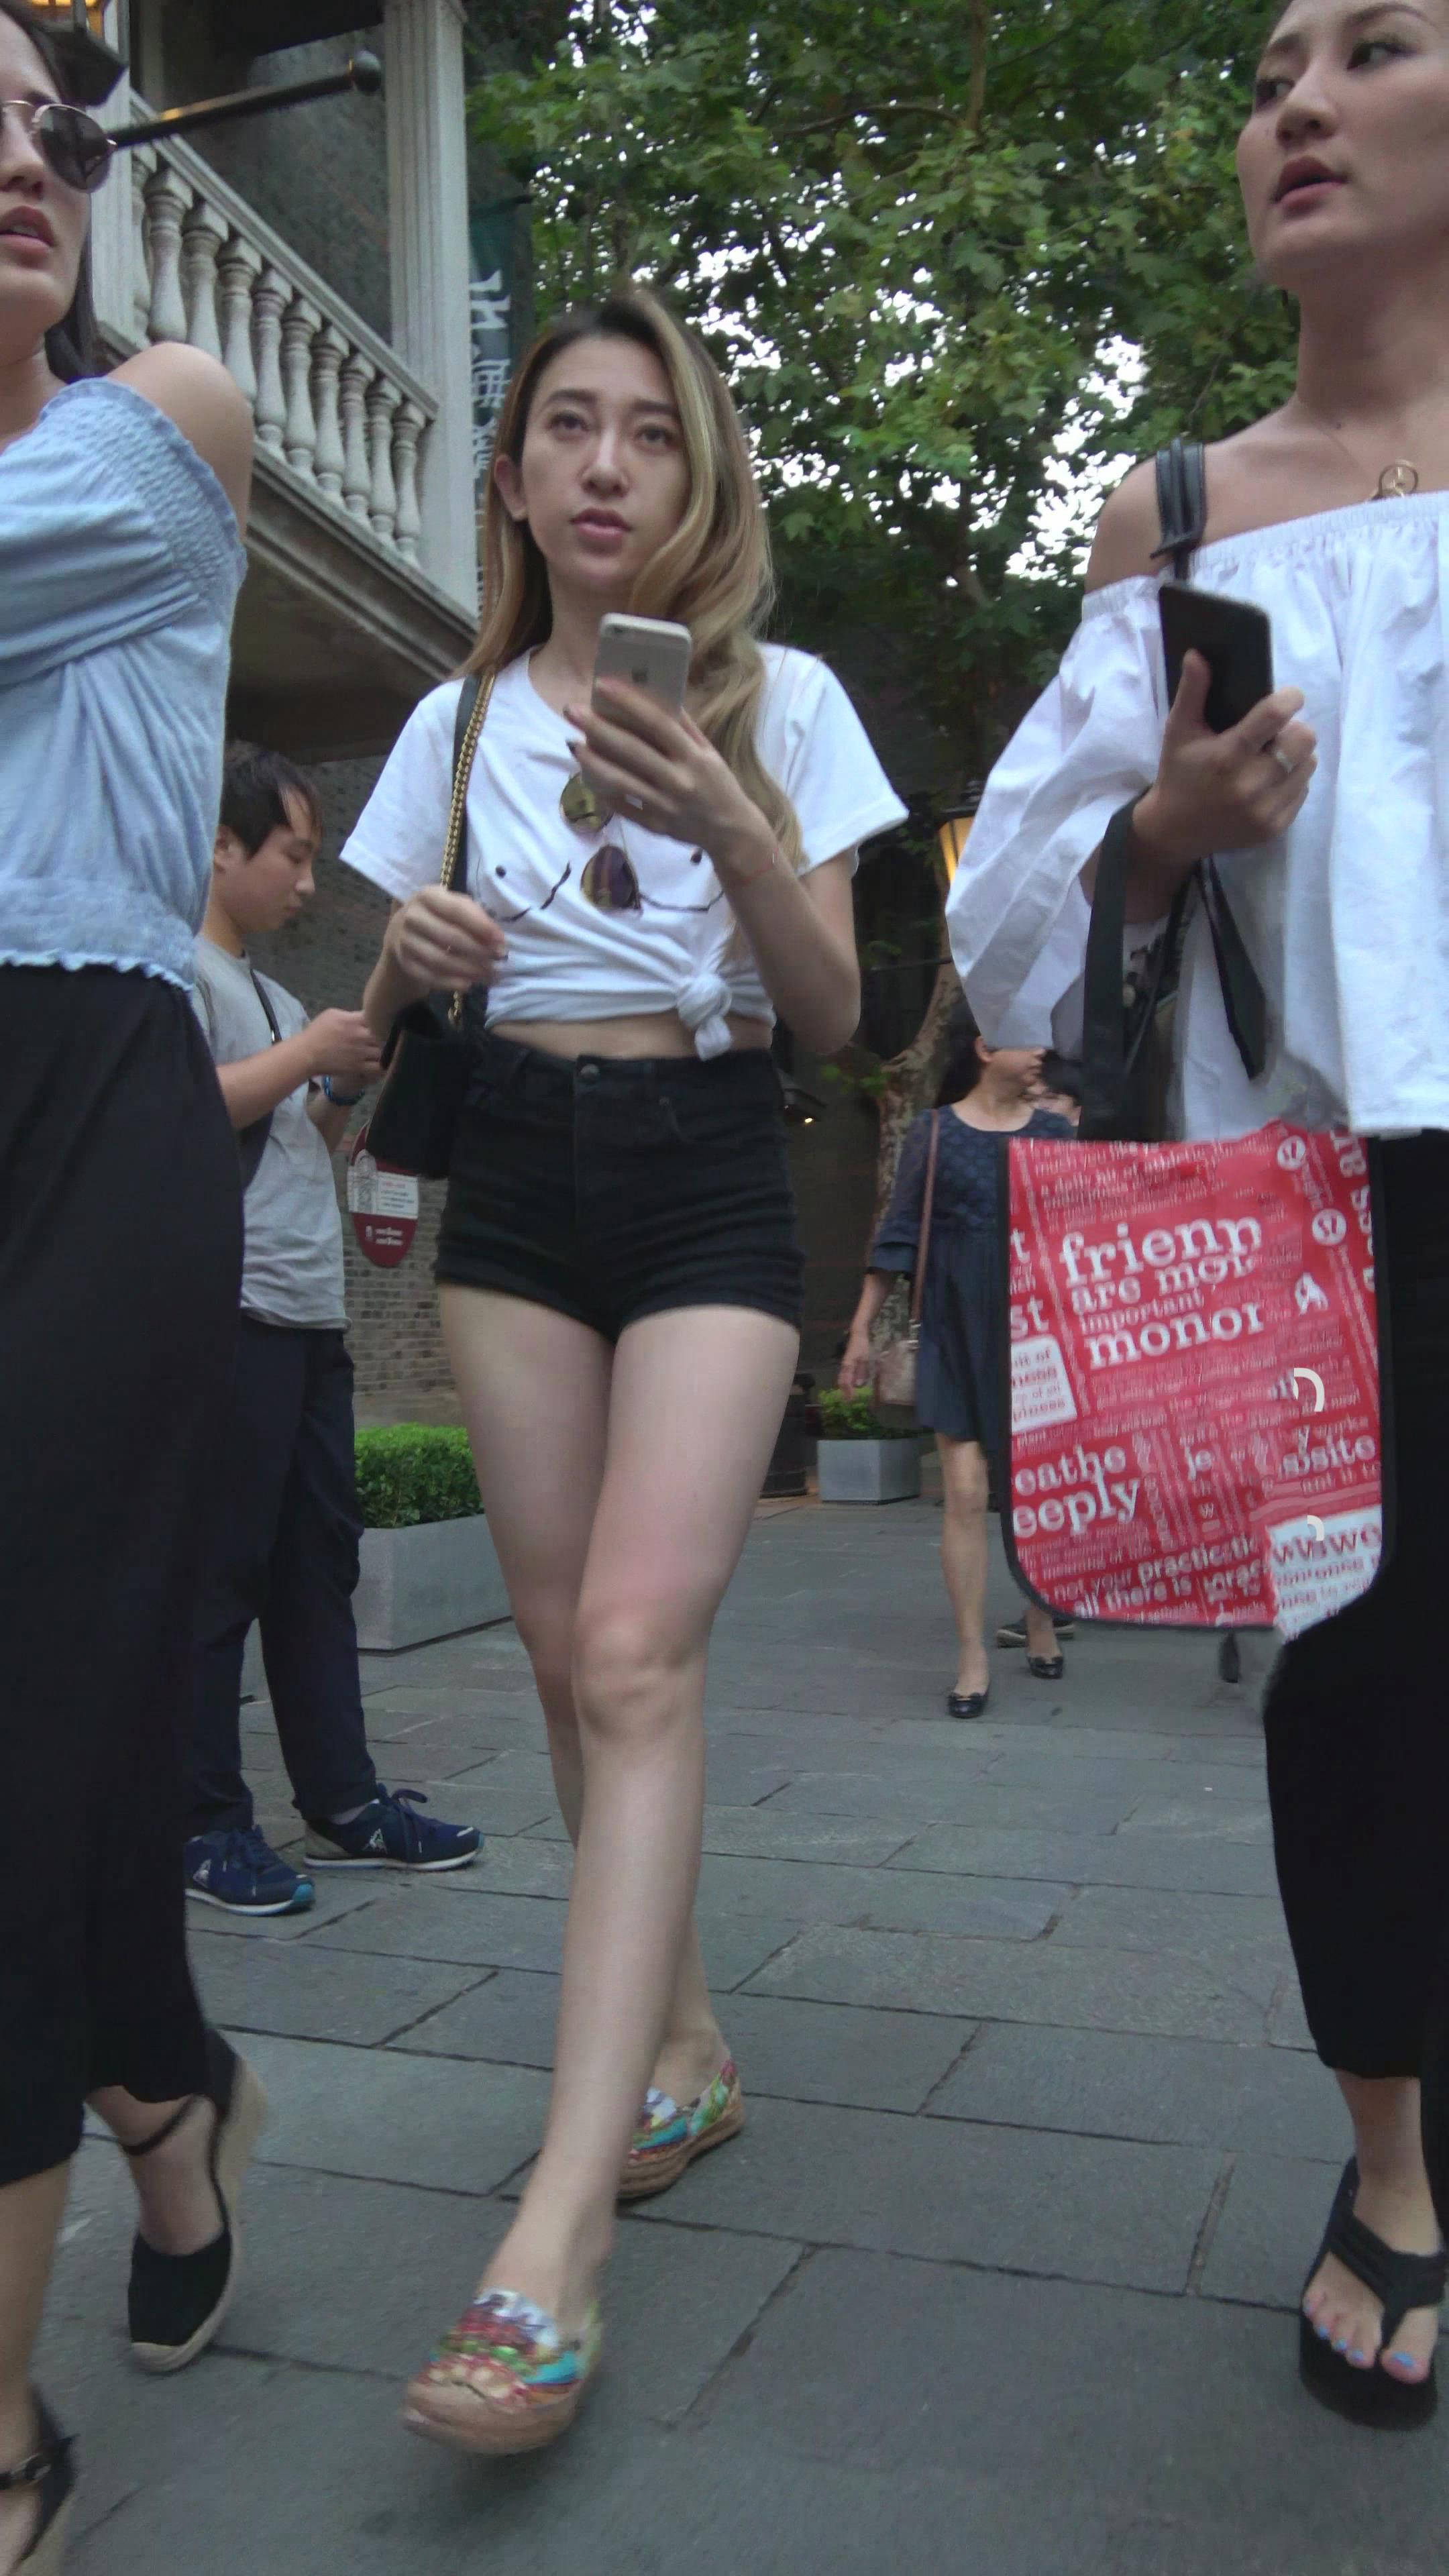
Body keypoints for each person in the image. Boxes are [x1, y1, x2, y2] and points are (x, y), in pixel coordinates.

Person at [946, 0, 1449, 2430]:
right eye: (1266, 75)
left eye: (1373, 48)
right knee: (1352, 1695)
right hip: (1315, 1201)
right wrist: (1161, 828)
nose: (1297, 104)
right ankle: (1393, 2165)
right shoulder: (1177, 518)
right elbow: (1003, 928)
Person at [342, 284, 905, 2455]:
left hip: (703, 1168)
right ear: (509, 479)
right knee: (571, 1659)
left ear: (698, 476)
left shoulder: (791, 700)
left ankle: (556, 2228)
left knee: (644, 1651)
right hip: (513, 1173)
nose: (604, 464)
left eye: (648, 432)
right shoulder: (454, 718)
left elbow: (836, 1015)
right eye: (567, 427)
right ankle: (682, 2046)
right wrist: (405, 962)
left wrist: (729, 813)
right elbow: (380, 1026)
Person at [0, 7, 265, 2565]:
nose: (27, 150)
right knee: (56, 1763)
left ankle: (3, 2442)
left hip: (94, 1117)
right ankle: (167, 2095)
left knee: (20, 1745)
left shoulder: (165, 415)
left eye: (46, 116)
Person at [186, 747, 483, 1916]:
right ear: (221, 846)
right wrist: (308, 1054)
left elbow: (297, 1137)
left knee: (318, 1567)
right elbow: (174, 1115)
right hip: (231, 1315)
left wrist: (341, 1078)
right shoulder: (174, 973)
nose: (308, 882)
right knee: (219, 1574)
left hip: (310, 1318)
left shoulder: (262, 996)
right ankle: (202, 1823)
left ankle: (344, 1803)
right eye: (294, 855)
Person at [839, 1002, 1074, 1715]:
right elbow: (898, 1234)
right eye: (1029, 1042)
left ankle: (1039, 1614)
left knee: (1036, 1492)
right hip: (954, 1323)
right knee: (967, 1492)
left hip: (1038, 1329)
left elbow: (1087, 1230)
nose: (1042, 1054)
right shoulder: (935, 1132)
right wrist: (860, 1331)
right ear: (985, 1048)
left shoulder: (1055, 1134)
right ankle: (972, 1653)